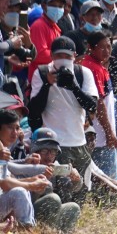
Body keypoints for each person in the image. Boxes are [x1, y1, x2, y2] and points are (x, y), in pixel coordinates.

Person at [28, 35, 99, 181]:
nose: (63, 59)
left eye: (67, 55)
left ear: (74, 56)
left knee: (81, 188)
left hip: (79, 141)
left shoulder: (83, 73)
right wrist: (47, 84)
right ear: (52, 55)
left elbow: (92, 105)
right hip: (54, 145)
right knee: (62, 187)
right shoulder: (41, 73)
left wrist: (74, 87)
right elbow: (34, 109)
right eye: (59, 55)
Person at [13, 127, 81, 234]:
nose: (49, 156)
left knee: (73, 207)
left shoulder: (55, 167)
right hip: (27, 215)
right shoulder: (25, 166)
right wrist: (41, 180)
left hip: (50, 216)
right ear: (34, 150)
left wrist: (76, 179)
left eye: (53, 151)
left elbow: (73, 188)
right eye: (44, 151)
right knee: (53, 199)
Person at [81, 29, 117, 176]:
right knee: (108, 179)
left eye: (108, 46)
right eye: (101, 47)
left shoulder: (97, 65)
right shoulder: (93, 67)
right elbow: (99, 103)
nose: (106, 50)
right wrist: (109, 133)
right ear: (90, 47)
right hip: (101, 135)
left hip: (100, 133)